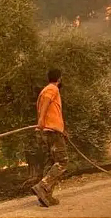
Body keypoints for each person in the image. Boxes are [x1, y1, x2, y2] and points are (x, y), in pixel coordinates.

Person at [31, 68, 68, 207]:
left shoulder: (45, 90)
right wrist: (41, 120)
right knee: (62, 161)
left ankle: (46, 196)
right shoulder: (52, 89)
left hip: (50, 131)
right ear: (59, 78)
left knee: (51, 162)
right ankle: (42, 186)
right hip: (51, 130)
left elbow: (51, 111)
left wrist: (62, 130)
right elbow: (47, 101)